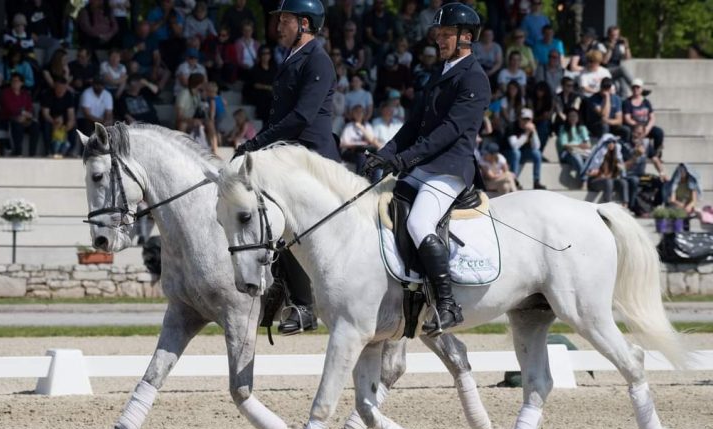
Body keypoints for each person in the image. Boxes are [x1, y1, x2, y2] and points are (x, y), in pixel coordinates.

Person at [363, 2, 490, 335]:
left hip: (450, 168)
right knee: (383, 207)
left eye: (447, 34)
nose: (439, 40)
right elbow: (414, 124)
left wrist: (405, 160)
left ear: (467, 37)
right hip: (425, 166)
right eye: (439, 34)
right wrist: (384, 154)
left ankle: (448, 304)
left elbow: (448, 130)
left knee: (420, 222)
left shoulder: (474, 77)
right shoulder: (441, 72)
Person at [233, 0, 340, 336]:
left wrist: (257, 142)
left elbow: (301, 117)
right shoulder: (291, 57)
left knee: (280, 214)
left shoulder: (318, 60)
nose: (278, 26)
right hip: (287, 151)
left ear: (304, 24)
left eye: (286, 20)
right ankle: (276, 285)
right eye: (279, 20)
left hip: (310, 155)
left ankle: (304, 305)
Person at [0, 72, 39, 156]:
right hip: (9, 118)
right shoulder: (6, 93)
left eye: (17, 81)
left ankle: (32, 154)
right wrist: (21, 113)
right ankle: (18, 152)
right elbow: (9, 108)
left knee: (35, 126)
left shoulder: (25, 94)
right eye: (13, 81)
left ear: (21, 83)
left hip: (24, 119)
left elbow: (29, 108)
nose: (14, 83)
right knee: (17, 125)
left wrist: (26, 115)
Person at [505, 108, 545, 189]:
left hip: (522, 154)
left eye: (528, 120)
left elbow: (536, 147)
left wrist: (534, 132)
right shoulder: (512, 126)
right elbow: (515, 146)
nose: (526, 122)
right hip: (507, 153)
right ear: (519, 118)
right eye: (524, 119)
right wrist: (526, 134)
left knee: (537, 153)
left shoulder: (531, 129)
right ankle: (514, 180)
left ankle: (536, 181)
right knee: (516, 153)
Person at [583, 134, 628, 205]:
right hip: (595, 181)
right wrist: (595, 172)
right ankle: (607, 204)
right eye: (609, 142)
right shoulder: (599, 154)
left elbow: (621, 173)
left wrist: (620, 169)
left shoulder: (616, 155)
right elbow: (589, 172)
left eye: (613, 142)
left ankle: (625, 205)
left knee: (623, 182)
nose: (611, 144)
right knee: (608, 182)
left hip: (609, 181)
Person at [623, 78, 664, 157]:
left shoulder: (646, 102)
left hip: (646, 127)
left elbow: (652, 117)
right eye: (634, 87)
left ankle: (657, 154)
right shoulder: (627, 102)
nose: (636, 89)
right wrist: (638, 127)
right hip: (634, 128)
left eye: (638, 87)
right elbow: (627, 118)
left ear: (641, 89)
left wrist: (647, 128)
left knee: (659, 132)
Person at [40, 77, 76, 156]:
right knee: (46, 125)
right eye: (58, 87)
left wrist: (70, 122)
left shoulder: (69, 95)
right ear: (55, 86)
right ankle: (49, 150)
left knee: (73, 125)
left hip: (64, 119)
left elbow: (71, 113)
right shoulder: (47, 94)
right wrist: (54, 122)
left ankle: (70, 151)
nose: (60, 90)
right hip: (50, 119)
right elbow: (45, 113)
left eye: (63, 88)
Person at [556, 107, 591, 177]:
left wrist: (583, 146)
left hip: (581, 152)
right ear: (567, 117)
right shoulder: (563, 128)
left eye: (575, 116)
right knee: (576, 156)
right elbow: (564, 144)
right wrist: (578, 146)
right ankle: (584, 178)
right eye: (570, 116)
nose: (573, 118)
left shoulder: (582, 128)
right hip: (567, 153)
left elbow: (588, 144)